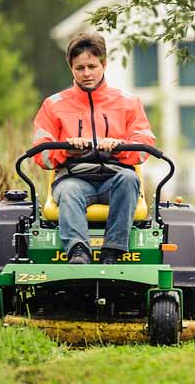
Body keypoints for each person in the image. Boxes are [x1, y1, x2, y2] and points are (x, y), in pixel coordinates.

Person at [32, 32, 156, 264]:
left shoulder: (128, 103)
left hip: (115, 178)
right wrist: (67, 150)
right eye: (80, 68)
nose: (87, 73)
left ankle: (113, 250)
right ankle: (79, 252)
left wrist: (119, 147)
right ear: (71, 68)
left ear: (104, 64)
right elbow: (41, 155)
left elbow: (144, 146)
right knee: (69, 191)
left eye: (92, 66)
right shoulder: (53, 105)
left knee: (129, 180)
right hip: (73, 178)